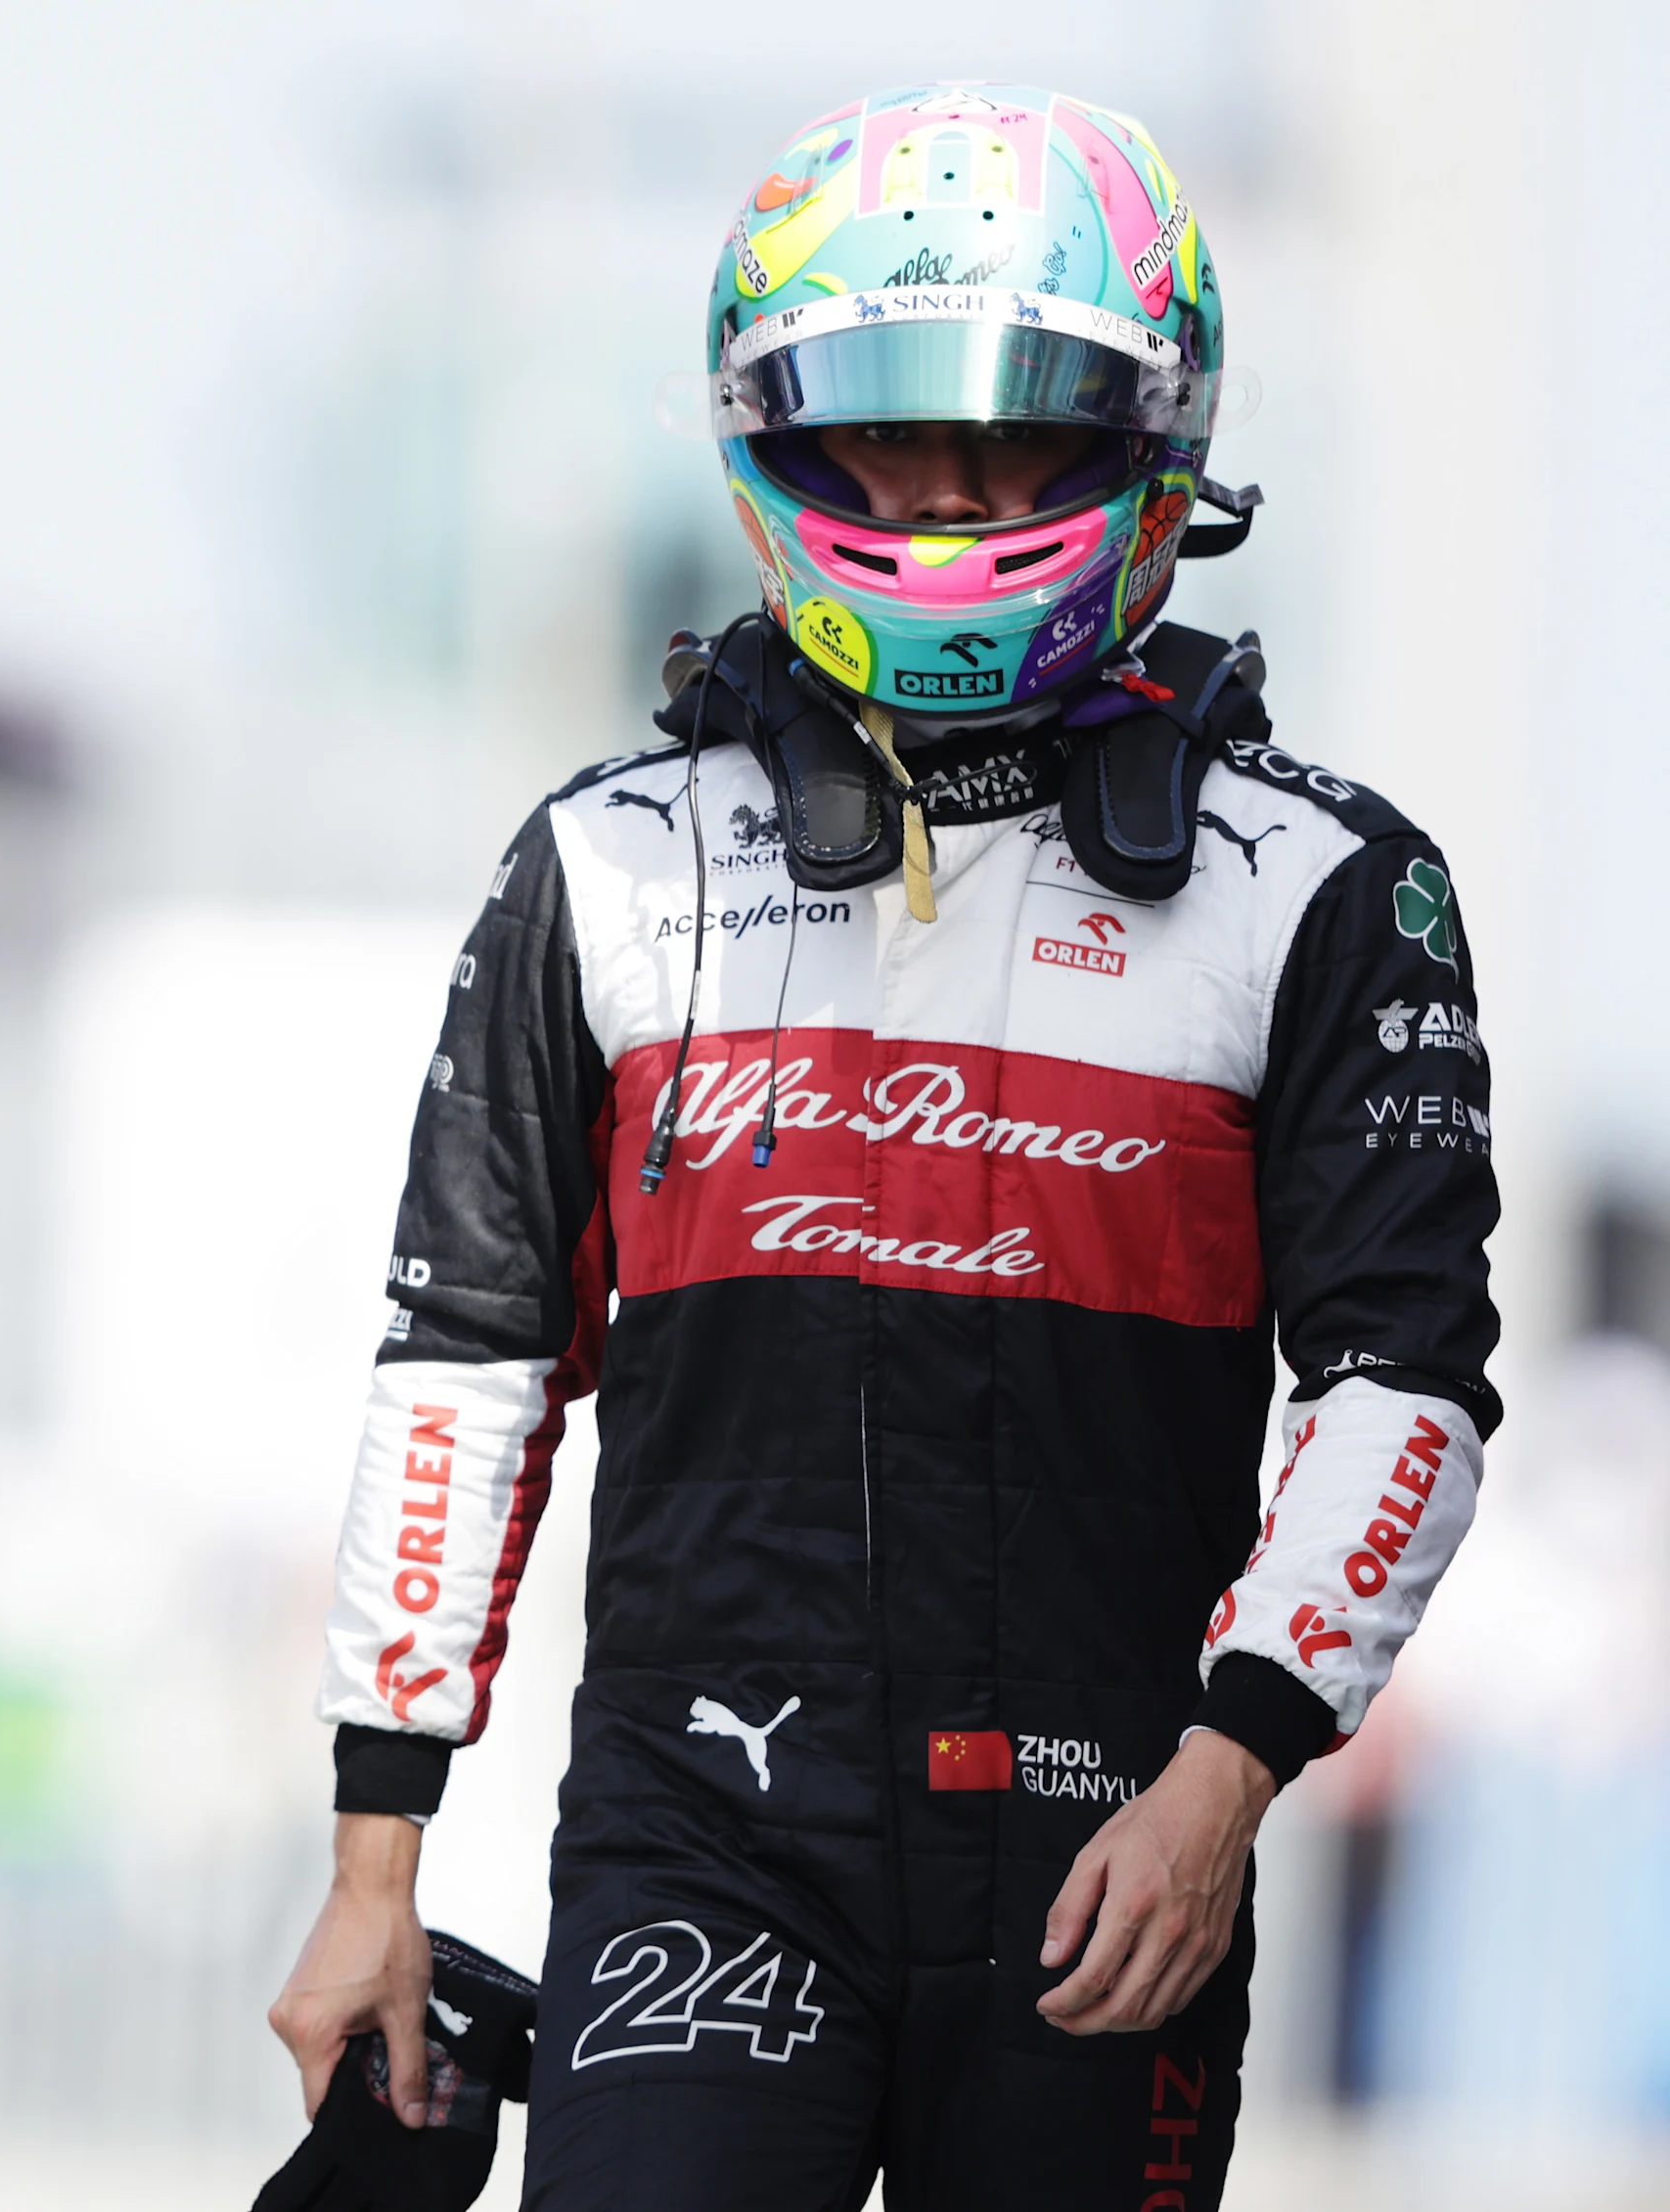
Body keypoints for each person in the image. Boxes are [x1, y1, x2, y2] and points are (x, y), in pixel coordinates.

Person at [265, 82, 1497, 2210]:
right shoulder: (606, 864)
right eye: (883, 436)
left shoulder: (1327, 884)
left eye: (1015, 439)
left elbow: (1403, 1382)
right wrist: (374, 1858)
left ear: (1154, 448)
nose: (944, 503)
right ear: (769, 439)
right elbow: (461, 1362)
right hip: (700, 1826)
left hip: (1111, 1839)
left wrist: (1229, 1774)